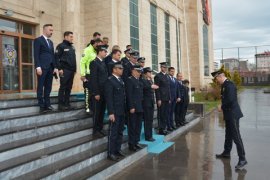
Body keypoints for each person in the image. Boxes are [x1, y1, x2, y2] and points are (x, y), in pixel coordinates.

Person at [212, 70, 247, 170]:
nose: (216, 81)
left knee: (236, 137)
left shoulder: (229, 85)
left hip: (233, 115)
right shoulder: (225, 85)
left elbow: (231, 100)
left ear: (220, 76)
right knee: (228, 134)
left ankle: (242, 158)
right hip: (228, 114)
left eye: (217, 78)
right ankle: (227, 152)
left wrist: (221, 107)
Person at [34, 24, 58, 113]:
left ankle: (47, 104)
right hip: (42, 68)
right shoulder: (38, 40)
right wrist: (38, 66)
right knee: (40, 86)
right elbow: (36, 54)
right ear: (44, 30)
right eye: (50, 30)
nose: (52, 32)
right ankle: (41, 106)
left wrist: (55, 67)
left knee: (48, 87)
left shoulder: (51, 42)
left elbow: (52, 56)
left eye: (52, 30)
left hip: (50, 68)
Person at [105, 62, 126, 161]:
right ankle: (111, 153)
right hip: (115, 112)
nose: (122, 70)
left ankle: (117, 149)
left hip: (121, 111)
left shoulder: (121, 80)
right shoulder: (110, 80)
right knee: (113, 133)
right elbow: (109, 98)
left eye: (122, 68)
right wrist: (111, 112)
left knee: (120, 132)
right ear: (114, 69)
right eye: (120, 68)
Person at [89, 45, 108, 136]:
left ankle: (100, 128)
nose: (106, 53)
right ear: (100, 52)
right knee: (97, 112)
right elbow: (94, 79)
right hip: (98, 92)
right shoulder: (94, 63)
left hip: (104, 92)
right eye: (104, 51)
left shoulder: (103, 63)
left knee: (102, 111)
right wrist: (96, 92)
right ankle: (95, 131)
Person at [55, 31, 76, 111]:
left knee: (69, 88)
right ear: (66, 37)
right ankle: (61, 105)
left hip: (71, 71)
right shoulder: (61, 46)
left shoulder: (72, 47)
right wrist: (59, 69)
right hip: (64, 70)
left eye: (72, 36)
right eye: (71, 36)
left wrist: (74, 70)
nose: (72, 38)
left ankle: (67, 104)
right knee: (63, 87)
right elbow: (56, 58)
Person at [80, 38, 103, 113]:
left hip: (95, 75)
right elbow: (82, 62)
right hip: (88, 75)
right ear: (96, 43)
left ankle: (92, 108)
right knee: (87, 92)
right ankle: (87, 109)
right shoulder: (87, 50)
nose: (100, 47)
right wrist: (83, 74)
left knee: (93, 92)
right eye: (99, 45)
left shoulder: (96, 51)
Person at [126, 65, 144, 151]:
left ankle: (136, 142)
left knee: (138, 126)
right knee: (132, 126)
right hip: (133, 107)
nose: (139, 73)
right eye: (138, 71)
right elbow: (129, 95)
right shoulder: (130, 80)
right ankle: (131, 144)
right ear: (133, 71)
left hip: (140, 107)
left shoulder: (139, 81)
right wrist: (131, 106)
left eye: (140, 72)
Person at [142, 67, 159, 141]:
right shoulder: (143, 80)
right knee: (147, 120)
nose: (150, 73)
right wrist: (151, 86)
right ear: (145, 73)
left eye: (151, 72)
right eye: (149, 72)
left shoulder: (150, 80)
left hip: (151, 102)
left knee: (150, 120)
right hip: (146, 103)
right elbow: (143, 87)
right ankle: (147, 136)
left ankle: (150, 135)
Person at [154, 62, 171, 135]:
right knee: (161, 114)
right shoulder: (158, 76)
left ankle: (164, 128)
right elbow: (157, 89)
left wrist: (169, 97)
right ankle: (161, 129)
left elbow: (168, 88)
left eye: (166, 67)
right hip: (161, 98)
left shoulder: (167, 76)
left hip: (167, 98)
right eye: (163, 67)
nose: (165, 69)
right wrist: (158, 99)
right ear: (161, 68)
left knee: (165, 114)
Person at [167, 67, 178, 131]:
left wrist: (177, 97)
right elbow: (167, 89)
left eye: (173, 71)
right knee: (168, 112)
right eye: (171, 71)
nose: (172, 72)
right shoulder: (167, 79)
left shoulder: (175, 79)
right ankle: (169, 126)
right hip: (169, 99)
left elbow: (176, 89)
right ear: (169, 72)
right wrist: (169, 98)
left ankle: (172, 124)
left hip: (174, 99)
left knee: (172, 112)